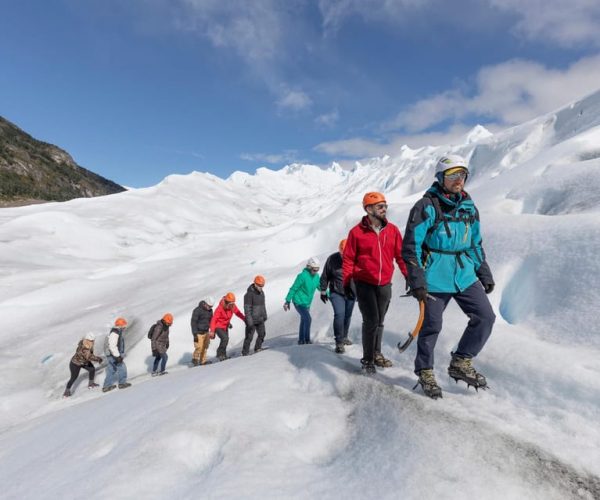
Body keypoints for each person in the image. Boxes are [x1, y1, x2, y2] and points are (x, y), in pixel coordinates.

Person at [402, 154, 496, 399]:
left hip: (464, 273)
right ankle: (425, 371)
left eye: (462, 175)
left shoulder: (469, 207)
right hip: (434, 276)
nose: (459, 180)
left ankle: (461, 361)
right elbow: (411, 246)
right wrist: (417, 280)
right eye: (453, 175)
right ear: (441, 177)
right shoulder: (426, 206)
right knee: (432, 325)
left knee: (485, 316)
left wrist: (483, 272)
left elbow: (475, 243)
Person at [342, 192, 408, 374]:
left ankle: (376, 353)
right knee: (370, 320)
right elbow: (348, 259)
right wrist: (347, 282)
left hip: (385, 283)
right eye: (380, 206)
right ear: (368, 209)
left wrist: (408, 275)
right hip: (364, 282)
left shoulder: (392, 230)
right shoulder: (356, 232)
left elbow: (400, 256)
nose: (384, 209)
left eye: (385, 206)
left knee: (380, 321)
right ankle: (367, 359)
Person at [320, 239, 356, 353]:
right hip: (336, 292)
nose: (344, 255)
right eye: (342, 253)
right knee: (340, 314)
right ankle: (339, 342)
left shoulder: (356, 259)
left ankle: (344, 336)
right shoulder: (332, 259)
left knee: (347, 315)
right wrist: (323, 290)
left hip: (351, 292)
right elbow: (325, 275)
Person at [284, 258, 321, 345]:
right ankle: (307, 340)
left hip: (307, 303)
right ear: (309, 267)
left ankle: (301, 340)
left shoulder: (316, 277)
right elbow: (293, 288)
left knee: (304, 320)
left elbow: (320, 287)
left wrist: (329, 293)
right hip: (298, 302)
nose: (315, 271)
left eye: (317, 269)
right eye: (314, 269)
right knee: (308, 319)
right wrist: (287, 301)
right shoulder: (302, 276)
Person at [63, 333, 103, 398]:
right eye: (91, 340)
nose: (93, 341)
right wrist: (98, 359)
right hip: (75, 364)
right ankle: (66, 392)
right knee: (73, 378)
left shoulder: (87, 344)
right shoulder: (85, 348)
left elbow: (89, 356)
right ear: (87, 340)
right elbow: (89, 357)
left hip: (84, 362)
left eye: (93, 340)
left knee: (92, 369)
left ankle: (91, 384)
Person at [209, 292, 246, 361]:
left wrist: (245, 319)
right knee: (225, 338)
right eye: (230, 303)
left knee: (225, 340)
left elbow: (238, 313)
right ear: (226, 302)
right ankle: (220, 354)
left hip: (225, 326)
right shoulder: (219, 309)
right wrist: (212, 331)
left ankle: (223, 355)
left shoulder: (232, 306)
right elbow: (213, 320)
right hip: (218, 326)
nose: (232, 305)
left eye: (233, 303)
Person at [103, 317, 131, 392]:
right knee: (122, 367)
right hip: (114, 355)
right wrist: (117, 356)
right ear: (121, 325)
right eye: (124, 326)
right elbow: (112, 346)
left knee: (111, 370)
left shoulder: (117, 331)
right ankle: (122, 383)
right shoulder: (115, 333)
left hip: (112, 355)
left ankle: (106, 386)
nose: (125, 327)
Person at [242, 275, 268, 355]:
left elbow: (262, 305)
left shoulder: (261, 293)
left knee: (262, 334)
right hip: (251, 320)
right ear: (255, 284)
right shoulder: (249, 294)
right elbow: (247, 308)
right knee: (249, 337)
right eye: (260, 286)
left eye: (262, 286)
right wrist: (249, 321)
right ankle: (245, 352)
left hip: (260, 318)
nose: (261, 287)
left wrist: (264, 315)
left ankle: (257, 348)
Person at [190, 296, 214, 366]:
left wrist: (212, 331)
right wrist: (195, 334)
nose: (210, 308)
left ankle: (203, 361)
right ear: (205, 303)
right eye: (209, 306)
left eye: (211, 307)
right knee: (199, 347)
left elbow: (211, 321)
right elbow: (193, 322)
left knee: (205, 347)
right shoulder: (197, 310)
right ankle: (195, 359)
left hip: (206, 332)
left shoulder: (210, 311)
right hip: (198, 333)